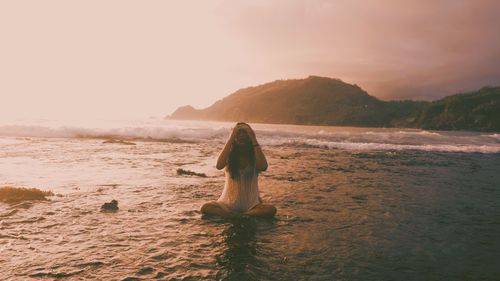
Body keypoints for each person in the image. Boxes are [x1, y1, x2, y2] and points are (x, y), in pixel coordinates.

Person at [201, 122, 277, 218]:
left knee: (271, 209)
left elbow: (263, 167)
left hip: (251, 206)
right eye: (238, 133)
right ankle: (233, 215)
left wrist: (253, 138)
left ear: (249, 135)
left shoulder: (255, 156)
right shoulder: (229, 156)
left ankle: (240, 215)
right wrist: (231, 136)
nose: (241, 135)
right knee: (205, 207)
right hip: (228, 204)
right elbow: (219, 165)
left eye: (245, 132)